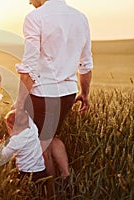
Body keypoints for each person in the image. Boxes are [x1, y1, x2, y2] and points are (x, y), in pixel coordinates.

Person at [14, 0, 93, 179]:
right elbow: (86, 64)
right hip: (68, 93)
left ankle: (48, 190)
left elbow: (29, 67)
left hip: (42, 93)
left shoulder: (35, 18)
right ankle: (66, 178)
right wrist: (85, 94)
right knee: (51, 135)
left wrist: (19, 103)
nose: (29, 2)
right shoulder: (80, 18)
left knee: (39, 141)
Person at [1, 109, 46, 183]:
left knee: (26, 192)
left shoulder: (17, 140)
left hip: (26, 173)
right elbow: (26, 114)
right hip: (41, 169)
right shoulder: (32, 129)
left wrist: (0, 146)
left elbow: (3, 154)